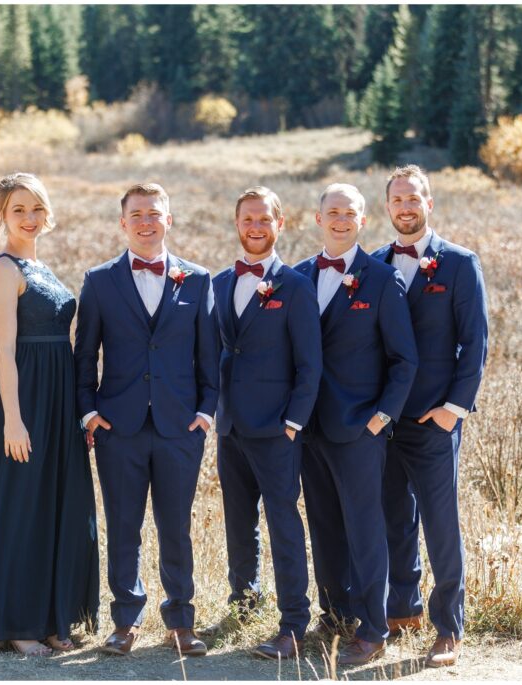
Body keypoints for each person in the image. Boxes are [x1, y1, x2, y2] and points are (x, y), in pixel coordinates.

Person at [75, 183, 219, 657]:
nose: (145, 221)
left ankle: (180, 621)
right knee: (123, 524)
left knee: (175, 526)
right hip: (119, 427)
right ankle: (125, 621)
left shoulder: (198, 280)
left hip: (181, 427)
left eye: (154, 213)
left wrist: (205, 412)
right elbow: (85, 355)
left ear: (168, 220)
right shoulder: (99, 280)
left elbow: (209, 355)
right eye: (136, 214)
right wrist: (90, 412)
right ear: (123, 223)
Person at [0, 173, 100, 657]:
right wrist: (13, 421)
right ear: (2, 215)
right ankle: (15, 624)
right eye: (18, 209)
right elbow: (4, 351)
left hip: (57, 401)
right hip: (21, 402)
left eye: (37, 208)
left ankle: (50, 618)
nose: (29, 218)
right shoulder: (4, 269)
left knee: (55, 504)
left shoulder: (40, 265)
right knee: (21, 506)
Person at [293, 183, 418, 666]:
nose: (341, 219)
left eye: (350, 212)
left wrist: (381, 418)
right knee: (323, 525)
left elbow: (404, 360)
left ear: (362, 221)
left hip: (359, 429)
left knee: (366, 528)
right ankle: (335, 614)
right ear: (317, 218)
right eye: (332, 211)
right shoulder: (299, 276)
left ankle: (373, 626)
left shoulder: (382, 279)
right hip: (307, 429)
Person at [369, 165, 487, 668]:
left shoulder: (459, 263)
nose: (405, 207)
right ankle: (402, 611)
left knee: (441, 525)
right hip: (384, 423)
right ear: (388, 207)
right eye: (397, 200)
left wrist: (452, 411)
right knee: (393, 519)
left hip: (435, 419)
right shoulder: (373, 265)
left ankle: (448, 629)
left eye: (413, 199)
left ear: (429, 204)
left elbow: (475, 342)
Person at [206, 187, 321, 659]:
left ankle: (294, 622)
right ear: (237, 225)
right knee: (238, 521)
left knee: (283, 523)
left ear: (280, 225)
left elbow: (310, 364)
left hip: (277, 429)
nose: (255, 227)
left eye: (264, 220)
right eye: (247, 219)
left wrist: (293, 421)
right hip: (230, 427)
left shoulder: (295, 286)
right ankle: (244, 603)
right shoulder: (216, 284)